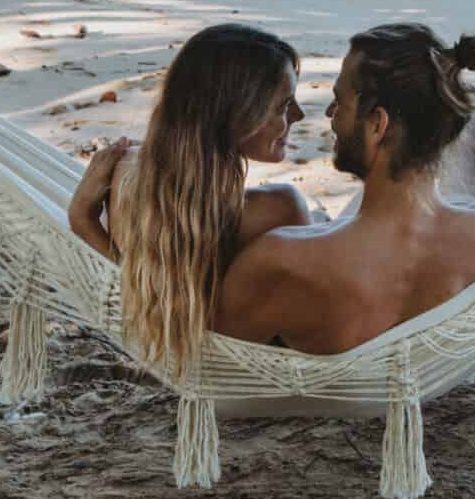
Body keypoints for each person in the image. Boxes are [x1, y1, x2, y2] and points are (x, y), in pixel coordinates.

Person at [216, 23, 475, 353]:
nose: (330, 115)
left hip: (339, 373)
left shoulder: (278, 261)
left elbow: (213, 371)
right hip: (438, 362)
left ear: (377, 124)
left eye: (339, 102)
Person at [67, 22, 309, 378]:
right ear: (237, 112)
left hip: (184, 363)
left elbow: (144, 292)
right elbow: (304, 333)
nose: (299, 116)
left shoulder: (127, 175)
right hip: (264, 379)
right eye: (284, 105)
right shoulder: (278, 208)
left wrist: (82, 220)